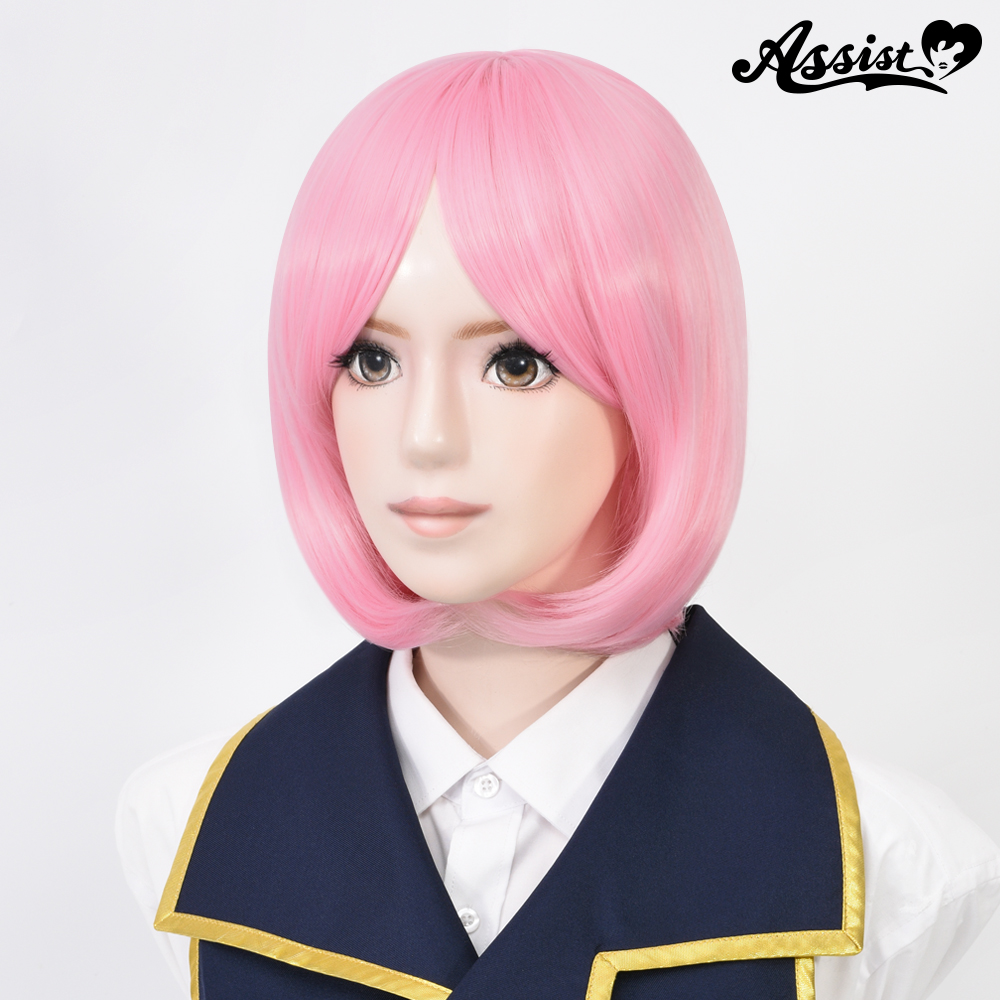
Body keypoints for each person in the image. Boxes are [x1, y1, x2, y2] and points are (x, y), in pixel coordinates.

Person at [117, 51, 1000, 1000]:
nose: (426, 436)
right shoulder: (188, 827)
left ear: (655, 383)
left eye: (516, 363)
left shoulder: (893, 867)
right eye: (373, 361)